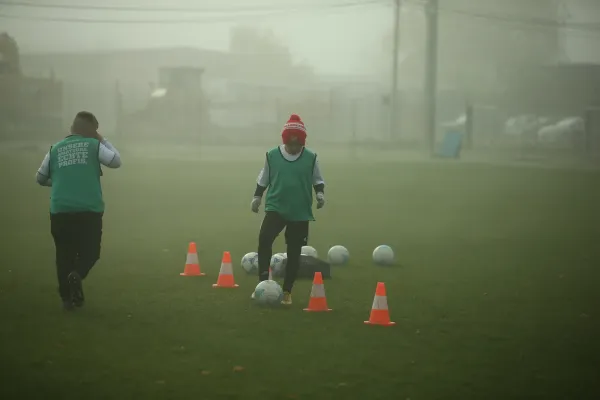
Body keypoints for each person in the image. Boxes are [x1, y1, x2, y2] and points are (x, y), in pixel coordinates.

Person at [36, 111, 122, 310]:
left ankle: (67, 299)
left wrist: (59, 182)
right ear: (92, 132)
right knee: (91, 251)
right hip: (88, 210)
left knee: (63, 254)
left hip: (60, 210)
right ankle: (78, 274)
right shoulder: (94, 145)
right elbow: (116, 161)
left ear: (72, 128)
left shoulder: (55, 149)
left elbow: (40, 178)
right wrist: (101, 139)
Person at [250, 114, 325, 305]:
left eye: (297, 145)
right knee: (264, 239)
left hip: (300, 211)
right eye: (290, 145)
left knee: (294, 251)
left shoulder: (311, 158)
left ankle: (287, 291)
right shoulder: (272, 156)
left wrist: (320, 194)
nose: (293, 149)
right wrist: (257, 197)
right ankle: (263, 283)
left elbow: (317, 179)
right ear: (284, 141)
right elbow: (263, 178)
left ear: (302, 144)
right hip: (276, 207)